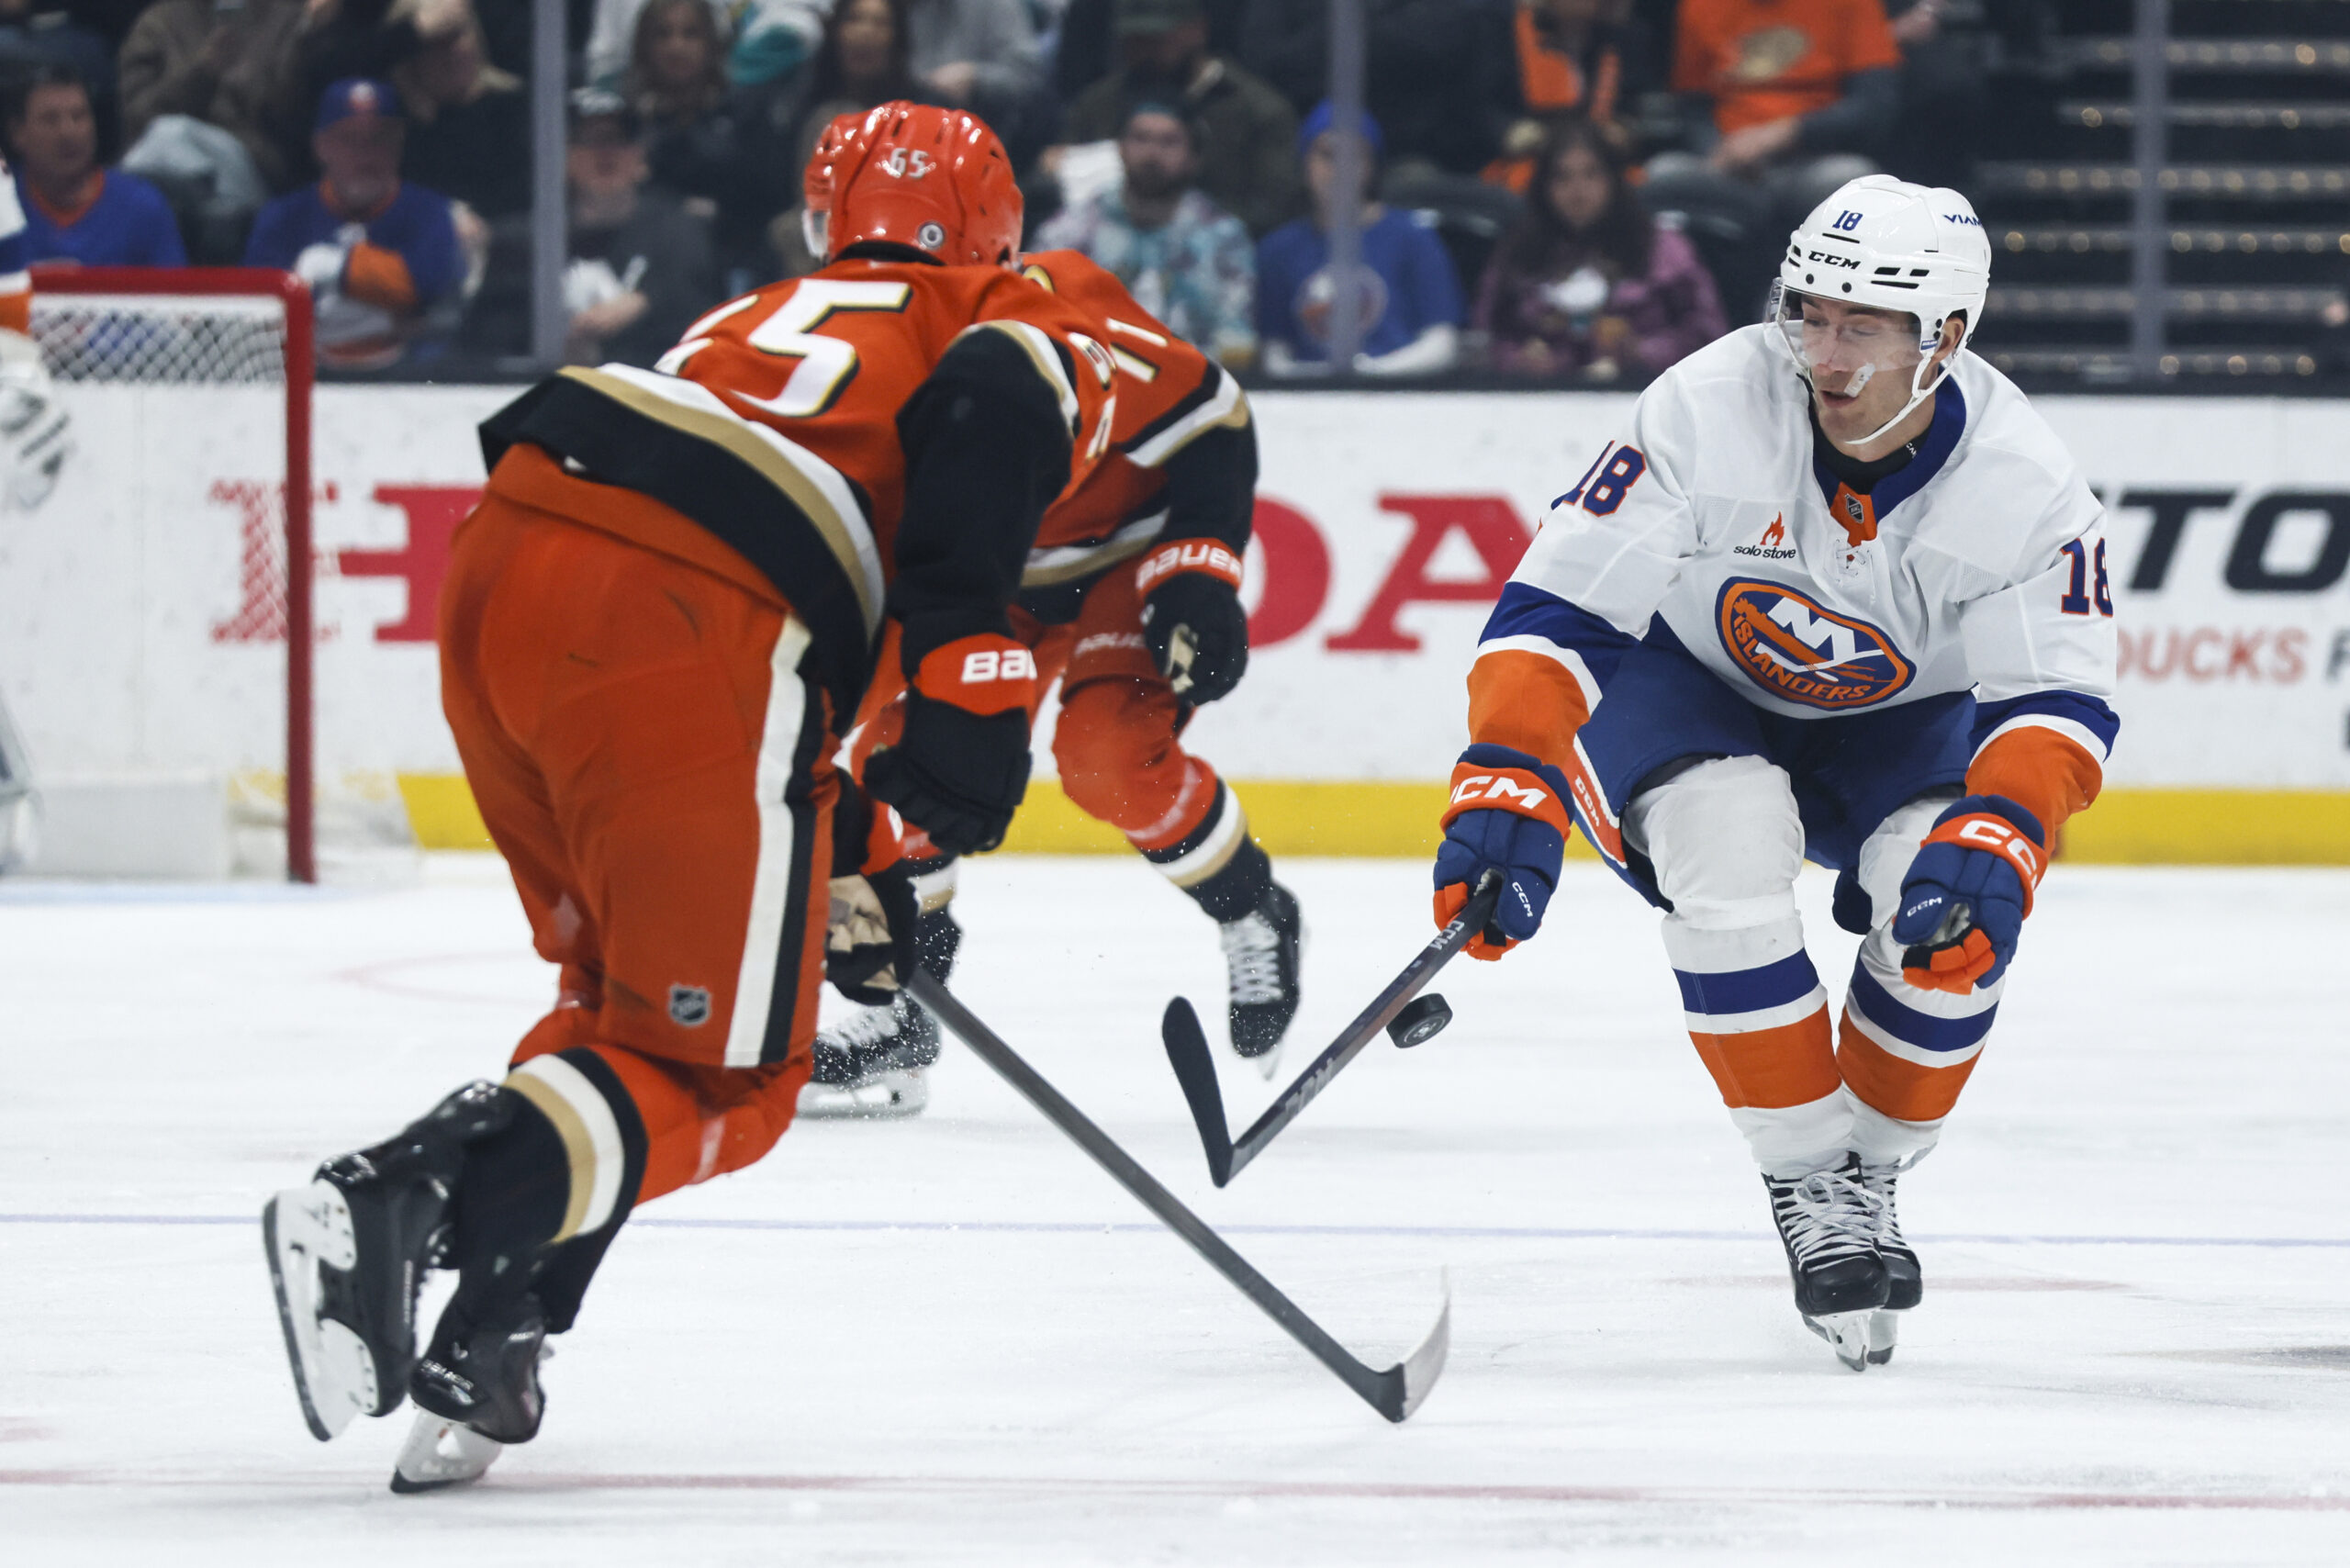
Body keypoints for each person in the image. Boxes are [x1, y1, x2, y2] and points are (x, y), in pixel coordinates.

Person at [263, 102, 1118, 1492]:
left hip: (512, 564)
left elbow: (772, 745)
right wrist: (973, 700)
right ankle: (402, 1197)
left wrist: (854, 852)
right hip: (693, 612)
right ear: (999, 226)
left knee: (623, 1002)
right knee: (736, 1073)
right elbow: (982, 422)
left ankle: (501, 1326)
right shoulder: (1004, 311)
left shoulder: (749, 317)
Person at [1432, 175, 2117, 1372]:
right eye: (1810, 311)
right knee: (1730, 830)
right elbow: (1557, 612)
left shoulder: (2026, 484)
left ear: (1944, 338)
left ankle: (1874, 1175)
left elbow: (2056, 702)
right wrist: (1503, 774)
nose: (1823, 348)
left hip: (1900, 718)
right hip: (1682, 677)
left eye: (1863, 324)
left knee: (1943, 898)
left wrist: (2006, 826)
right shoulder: (1706, 404)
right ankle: (1810, 1183)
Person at [799, 116, 1295, 1115]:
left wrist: (1196, 573)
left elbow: (1209, 414)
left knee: (1107, 755)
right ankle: (904, 1002)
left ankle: (1251, 906)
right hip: (980, 572)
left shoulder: (1061, 310)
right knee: (901, 752)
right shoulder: (840, 344)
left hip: (1116, 549)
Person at [1642, 0, 1900, 304]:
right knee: (1661, 174)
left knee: (1853, 178)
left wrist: (1784, 134)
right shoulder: (1699, 6)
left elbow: (1875, 105)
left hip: (1813, 160)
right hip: (1728, 164)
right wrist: (1720, 152)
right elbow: (1694, 102)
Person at [1475, 118, 1723, 381]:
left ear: (1614, 180)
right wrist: (1517, 360)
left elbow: (1710, 337)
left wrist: (1641, 351)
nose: (1577, 191)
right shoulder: (1519, 250)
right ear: (1543, 185)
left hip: (1646, 391)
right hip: (1536, 399)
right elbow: (1484, 336)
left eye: (1591, 174)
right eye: (1562, 177)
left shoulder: (1663, 248)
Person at [244, 79, 464, 371]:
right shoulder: (284, 216)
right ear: (321, 146)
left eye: (378, 139)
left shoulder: (429, 212)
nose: (365, 155)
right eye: (348, 139)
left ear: (399, 143)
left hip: (408, 380)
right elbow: (260, 316)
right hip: (304, 380)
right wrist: (385, 305)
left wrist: (330, 267)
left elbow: (422, 289)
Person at [1055, 0, 1302, 239]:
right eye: (1135, 40)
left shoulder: (1259, 112)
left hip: (1218, 253)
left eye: (1158, 40)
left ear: (1196, 31)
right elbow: (1059, 180)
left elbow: (1273, 209)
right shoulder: (1099, 104)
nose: (1145, 51)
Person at [1035, 101, 1255, 369]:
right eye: (1140, 139)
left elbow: (1237, 342)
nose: (1152, 153)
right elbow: (1039, 326)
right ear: (1120, 148)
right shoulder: (1069, 232)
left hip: (1194, 389)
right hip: (1092, 385)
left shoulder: (1224, 240)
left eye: (1169, 142)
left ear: (1193, 157)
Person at [1255, 101, 1462, 376]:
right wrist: (1314, 380)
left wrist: (1372, 374)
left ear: (1371, 166)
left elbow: (1442, 343)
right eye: (1327, 155)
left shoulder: (1415, 239)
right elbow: (1273, 353)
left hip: (1401, 396)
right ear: (1304, 164)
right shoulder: (1278, 250)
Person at [561, 88, 715, 367]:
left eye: (618, 139)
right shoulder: (539, 237)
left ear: (640, 155)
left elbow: (700, 310)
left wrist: (647, 301)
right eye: (589, 140)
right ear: (564, 155)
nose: (605, 152)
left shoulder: (679, 231)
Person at [116, 0, 310, 192]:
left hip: (252, 164)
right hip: (164, 157)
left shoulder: (288, 21)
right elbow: (136, 116)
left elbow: (297, 122)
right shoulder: (158, 24)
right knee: (168, 134)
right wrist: (202, 74)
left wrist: (247, 85)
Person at [8, 64, 186, 265]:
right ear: (17, 133)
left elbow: (173, 293)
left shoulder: (143, 207)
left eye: (79, 116)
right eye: (50, 119)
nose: (68, 132)